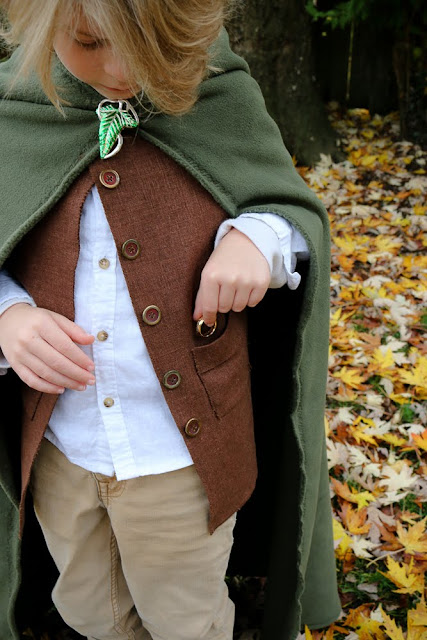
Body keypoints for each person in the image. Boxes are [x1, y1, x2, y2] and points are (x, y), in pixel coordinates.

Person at [0, 1, 342, 639]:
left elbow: (289, 211)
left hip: (180, 456)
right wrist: (8, 316)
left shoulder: (218, 94)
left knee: (186, 617)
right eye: (90, 42)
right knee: (90, 608)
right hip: (61, 452)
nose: (123, 71)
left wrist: (257, 239)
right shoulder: (16, 107)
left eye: (152, 46)